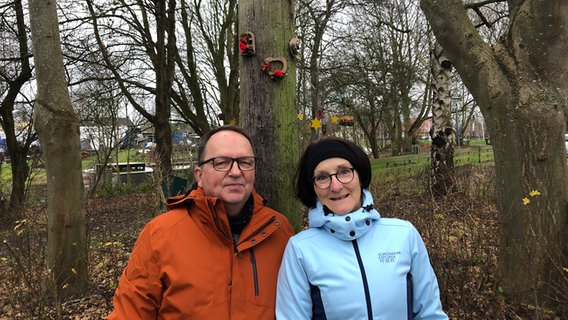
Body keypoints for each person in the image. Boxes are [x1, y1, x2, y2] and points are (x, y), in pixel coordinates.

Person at [108, 125, 295, 319]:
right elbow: (130, 313)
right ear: (199, 175)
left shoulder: (280, 232)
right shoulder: (160, 235)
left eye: (245, 162)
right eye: (221, 163)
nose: (236, 172)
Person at [276, 136, 448, 320]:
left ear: (360, 175)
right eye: (322, 177)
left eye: (344, 172)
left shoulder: (403, 234)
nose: (335, 186)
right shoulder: (300, 249)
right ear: (313, 188)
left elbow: (431, 315)